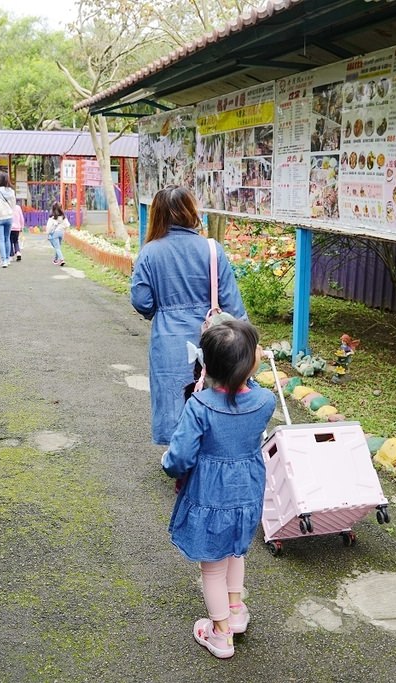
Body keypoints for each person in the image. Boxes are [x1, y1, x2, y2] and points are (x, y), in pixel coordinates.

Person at [160, 319, 275, 660]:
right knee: (235, 551)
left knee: (212, 565)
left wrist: (168, 463)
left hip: (210, 496)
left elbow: (178, 458)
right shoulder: (265, 401)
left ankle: (221, 633)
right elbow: (245, 391)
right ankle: (236, 610)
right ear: (247, 365)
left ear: (207, 365)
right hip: (247, 492)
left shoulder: (200, 406)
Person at [130, 185, 247, 445]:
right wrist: (246, 345)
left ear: (157, 215)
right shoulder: (212, 249)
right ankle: (210, 451)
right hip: (212, 339)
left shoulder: (149, 252)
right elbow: (233, 304)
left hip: (168, 339)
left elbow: (141, 301)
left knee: (173, 398)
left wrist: (160, 312)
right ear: (190, 210)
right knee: (213, 394)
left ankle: (180, 457)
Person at [46, 201, 68, 266]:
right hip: (61, 233)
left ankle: (62, 259)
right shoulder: (63, 217)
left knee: (57, 247)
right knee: (57, 247)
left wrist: (48, 233)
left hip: (54, 233)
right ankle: (55, 260)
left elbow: (49, 227)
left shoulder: (52, 218)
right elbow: (67, 225)